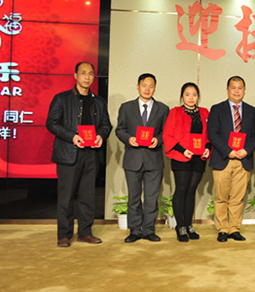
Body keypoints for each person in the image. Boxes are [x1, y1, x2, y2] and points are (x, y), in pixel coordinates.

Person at [46, 61, 112, 248]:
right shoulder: (62, 99)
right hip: (69, 154)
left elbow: (106, 125)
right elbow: (51, 123)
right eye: (83, 73)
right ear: (75, 76)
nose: (87, 77)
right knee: (66, 197)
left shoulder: (99, 101)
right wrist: (72, 136)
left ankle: (85, 232)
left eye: (90, 73)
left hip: (91, 154)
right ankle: (64, 235)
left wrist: (100, 136)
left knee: (87, 196)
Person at [115, 73, 170, 243]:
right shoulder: (126, 107)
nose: (147, 89)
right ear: (138, 86)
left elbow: (166, 132)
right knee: (134, 198)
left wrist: (158, 140)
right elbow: (120, 129)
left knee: (152, 199)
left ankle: (149, 230)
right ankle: (134, 230)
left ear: (155, 88)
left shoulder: (163, 109)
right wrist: (128, 139)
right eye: (144, 85)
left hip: (154, 160)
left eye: (151, 86)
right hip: (133, 158)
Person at [208, 76, 255, 243]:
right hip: (223, 159)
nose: (237, 91)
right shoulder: (217, 109)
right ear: (227, 90)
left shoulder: (252, 111)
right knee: (221, 197)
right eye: (233, 87)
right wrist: (228, 151)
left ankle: (234, 228)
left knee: (238, 198)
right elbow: (212, 133)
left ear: (244, 90)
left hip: (243, 159)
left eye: (240, 87)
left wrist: (246, 150)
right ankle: (222, 229)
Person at [163, 82, 211, 242]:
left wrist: (207, 148)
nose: (191, 98)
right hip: (181, 156)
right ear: (182, 96)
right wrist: (183, 150)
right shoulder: (175, 112)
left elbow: (209, 134)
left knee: (191, 190)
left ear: (198, 97)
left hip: (199, 157)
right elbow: (167, 135)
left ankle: (189, 225)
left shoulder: (204, 112)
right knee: (181, 189)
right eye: (187, 94)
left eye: (194, 94)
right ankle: (180, 226)